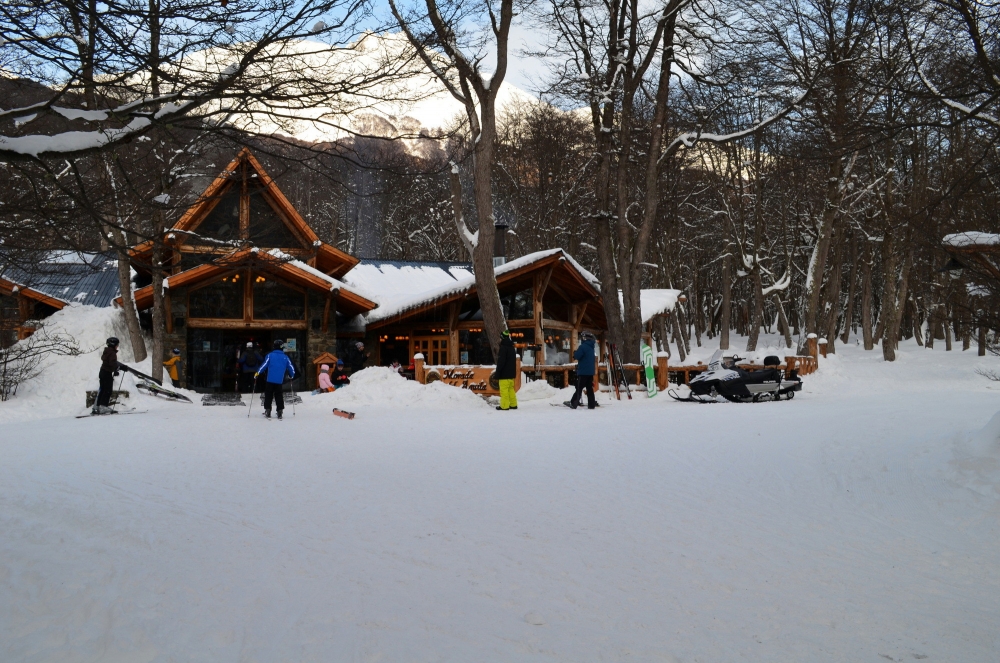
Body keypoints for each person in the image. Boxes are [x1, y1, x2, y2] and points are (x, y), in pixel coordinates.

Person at [255, 339, 296, 419]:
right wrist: (292, 375)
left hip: (269, 380)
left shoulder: (270, 355)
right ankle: (280, 411)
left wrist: (258, 372)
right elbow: (290, 367)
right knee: (279, 395)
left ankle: (268, 410)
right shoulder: (285, 357)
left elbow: (264, 365)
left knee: (268, 395)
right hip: (279, 381)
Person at [569, 331, 598, 409]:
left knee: (579, 387)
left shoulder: (583, 347)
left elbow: (577, 356)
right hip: (590, 372)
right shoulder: (591, 347)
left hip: (583, 371)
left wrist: (575, 353)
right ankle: (591, 405)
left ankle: (573, 403)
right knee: (589, 388)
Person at [92, 336, 120, 414]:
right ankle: (103, 406)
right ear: (113, 344)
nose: (117, 346)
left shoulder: (107, 351)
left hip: (102, 372)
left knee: (103, 389)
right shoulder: (112, 353)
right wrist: (116, 369)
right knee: (107, 390)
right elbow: (112, 363)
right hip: (107, 373)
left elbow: (108, 362)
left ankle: (97, 406)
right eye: (117, 344)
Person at [495, 329, 518, 411]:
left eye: (500, 338)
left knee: (504, 390)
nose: (499, 339)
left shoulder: (503, 348)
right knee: (511, 389)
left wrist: (497, 373)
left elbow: (501, 362)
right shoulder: (512, 348)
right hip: (511, 374)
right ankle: (513, 404)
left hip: (504, 374)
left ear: (502, 338)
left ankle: (504, 406)